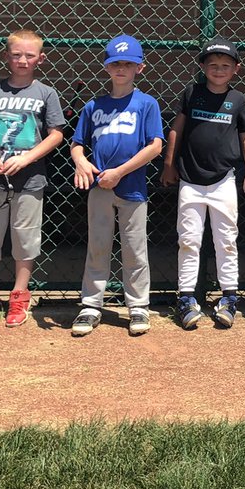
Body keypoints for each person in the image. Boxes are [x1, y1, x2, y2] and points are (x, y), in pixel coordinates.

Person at [0, 29, 67, 328]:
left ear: (40, 59)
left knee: (25, 237)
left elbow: (56, 134)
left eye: (29, 55)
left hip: (31, 178)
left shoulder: (46, 93)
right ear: (6, 57)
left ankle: (20, 293)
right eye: (16, 55)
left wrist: (27, 158)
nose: (23, 60)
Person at [69, 34, 164, 338]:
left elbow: (155, 146)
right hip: (99, 187)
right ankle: (91, 304)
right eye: (115, 64)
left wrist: (120, 172)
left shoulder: (146, 103)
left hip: (132, 187)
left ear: (140, 68)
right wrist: (81, 163)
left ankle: (138, 305)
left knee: (134, 249)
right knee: (98, 246)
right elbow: (77, 144)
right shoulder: (93, 105)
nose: (121, 69)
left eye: (128, 64)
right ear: (107, 67)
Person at [162, 38, 245, 329]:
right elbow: (177, 129)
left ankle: (229, 297)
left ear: (236, 69)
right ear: (203, 66)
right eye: (213, 64)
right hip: (190, 179)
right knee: (188, 240)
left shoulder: (237, 99)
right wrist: (169, 164)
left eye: (226, 65)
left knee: (226, 240)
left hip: (223, 179)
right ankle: (186, 297)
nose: (219, 69)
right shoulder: (192, 93)